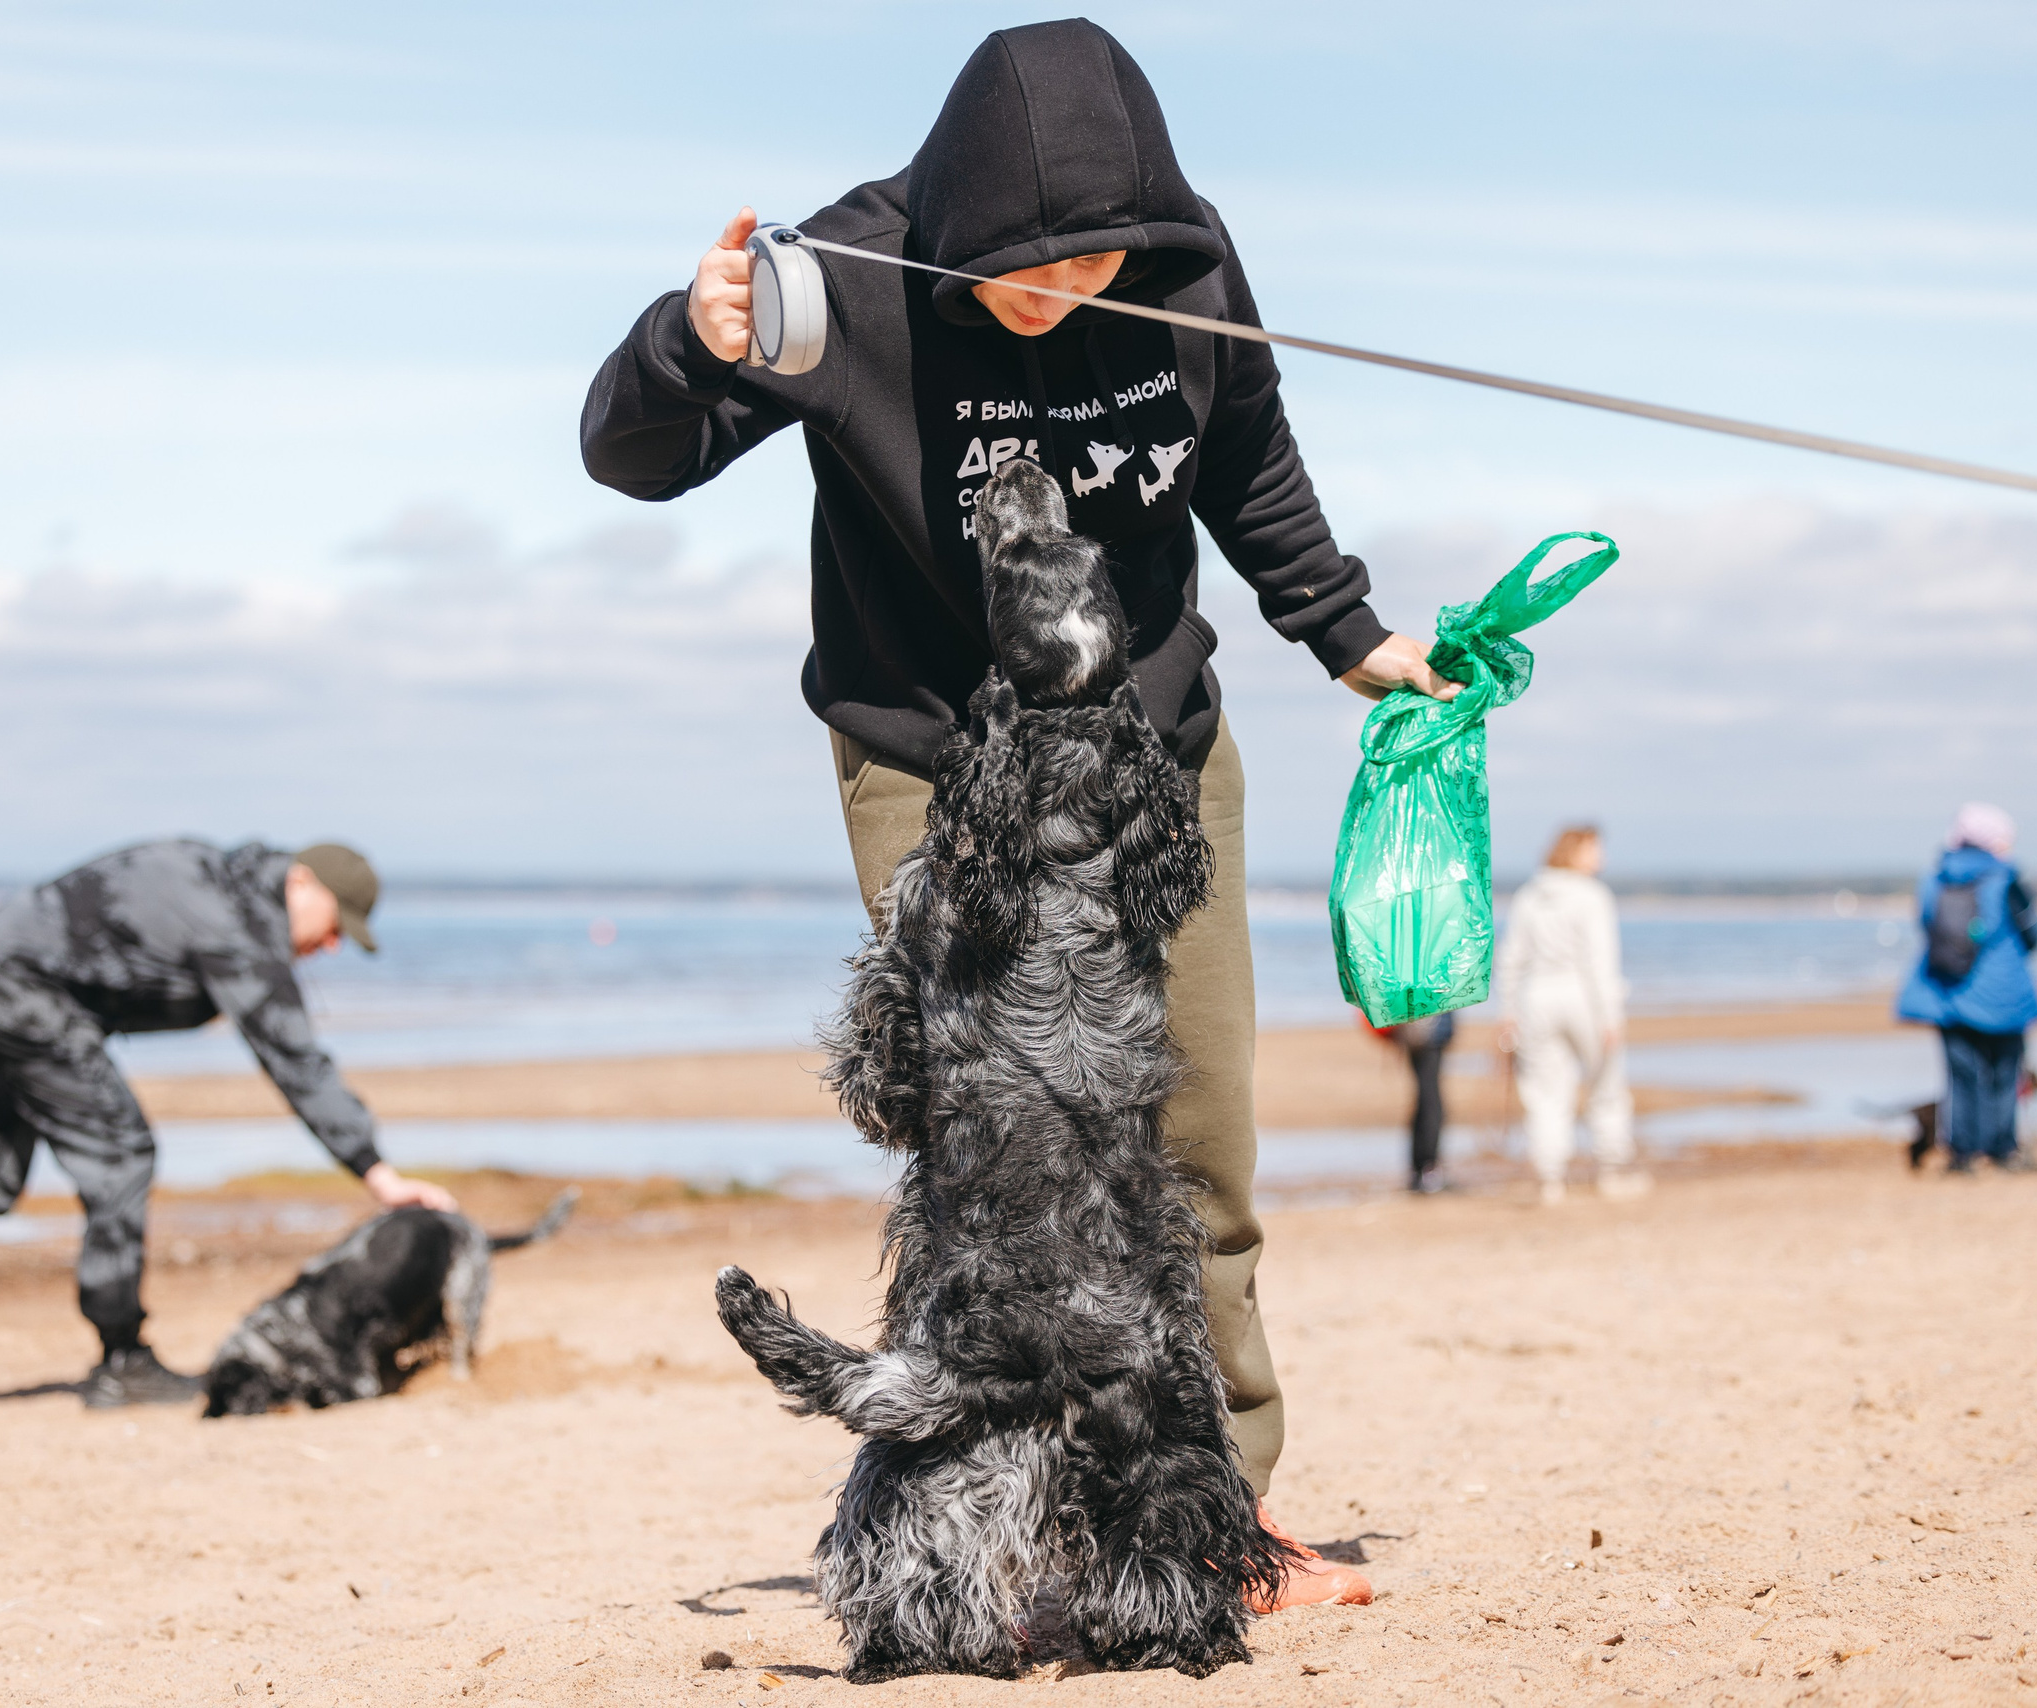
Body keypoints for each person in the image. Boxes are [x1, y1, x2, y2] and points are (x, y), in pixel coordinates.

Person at [581, 20, 1460, 1609]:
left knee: (1194, 1136)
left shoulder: (1188, 267)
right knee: (999, 1154)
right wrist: (686, 345)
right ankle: (989, 1511)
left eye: (1093, 263)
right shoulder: (841, 278)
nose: (1060, 292)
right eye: (1023, 271)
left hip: (1150, 754)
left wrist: (1346, 631)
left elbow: (1247, 455)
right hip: (931, 759)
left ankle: (1213, 1520)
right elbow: (633, 461)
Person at [0, 840, 456, 1414]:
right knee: (121, 1152)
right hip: (13, 989)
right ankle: (122, 1359)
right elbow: (293, 1057)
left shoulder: (220, 885)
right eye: (335, 924)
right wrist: (376, 1171)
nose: (331, 945)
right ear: (301, 882)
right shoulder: (236, 922)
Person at [1896, 803, 2037, 1174]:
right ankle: (2002, 1150)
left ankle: (1962, 1154)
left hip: (1950, 991)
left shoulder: (1935, 879)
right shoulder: (2007, 878)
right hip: (2004, 994)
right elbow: (2032, 935)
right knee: (2004, 1073)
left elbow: (1926, 925)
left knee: (1962, 1077)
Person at [1500, 825, 1643, 1206]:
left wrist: (1509, 1010)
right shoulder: (1593, 896)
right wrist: (1610, 1017)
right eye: (1594, 849)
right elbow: (1600, 961)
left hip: (1536, 1000)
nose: (1601, 858)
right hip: (1583, 999)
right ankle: (1611, 1171)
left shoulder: (1529, 896)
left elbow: (1511, 958)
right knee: (1606, 1086)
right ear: (1574, 851)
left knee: (1544, 1093)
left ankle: (1550, 1179)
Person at [1378, 1010, 1459, 1193]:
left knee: (1424, 1096)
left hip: (1415, 1029)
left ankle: (1419, 1168)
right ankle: (1427, 1167)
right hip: (1428, 1031)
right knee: (1430, 1099)